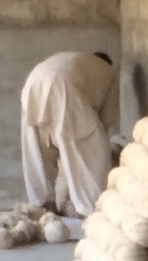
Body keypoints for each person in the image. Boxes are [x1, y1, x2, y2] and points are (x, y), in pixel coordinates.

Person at [20, 50, 120, 217]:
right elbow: (105, 120)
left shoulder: (79, 61)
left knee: (37, 148)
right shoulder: (108, 72)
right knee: (90, 151)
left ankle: (43, 205)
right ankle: (91, 209)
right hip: (62, 86)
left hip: (33, 82)